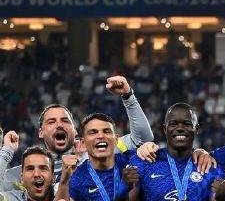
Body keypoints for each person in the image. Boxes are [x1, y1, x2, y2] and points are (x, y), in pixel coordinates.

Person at [25, 76, 153, 182]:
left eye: (65, 121)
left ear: (75, 130)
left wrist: (128, 97)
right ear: (40, 132)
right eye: (51, 122)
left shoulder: (98, 149)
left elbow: (142, 138)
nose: (59, 125)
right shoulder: (31, 168)